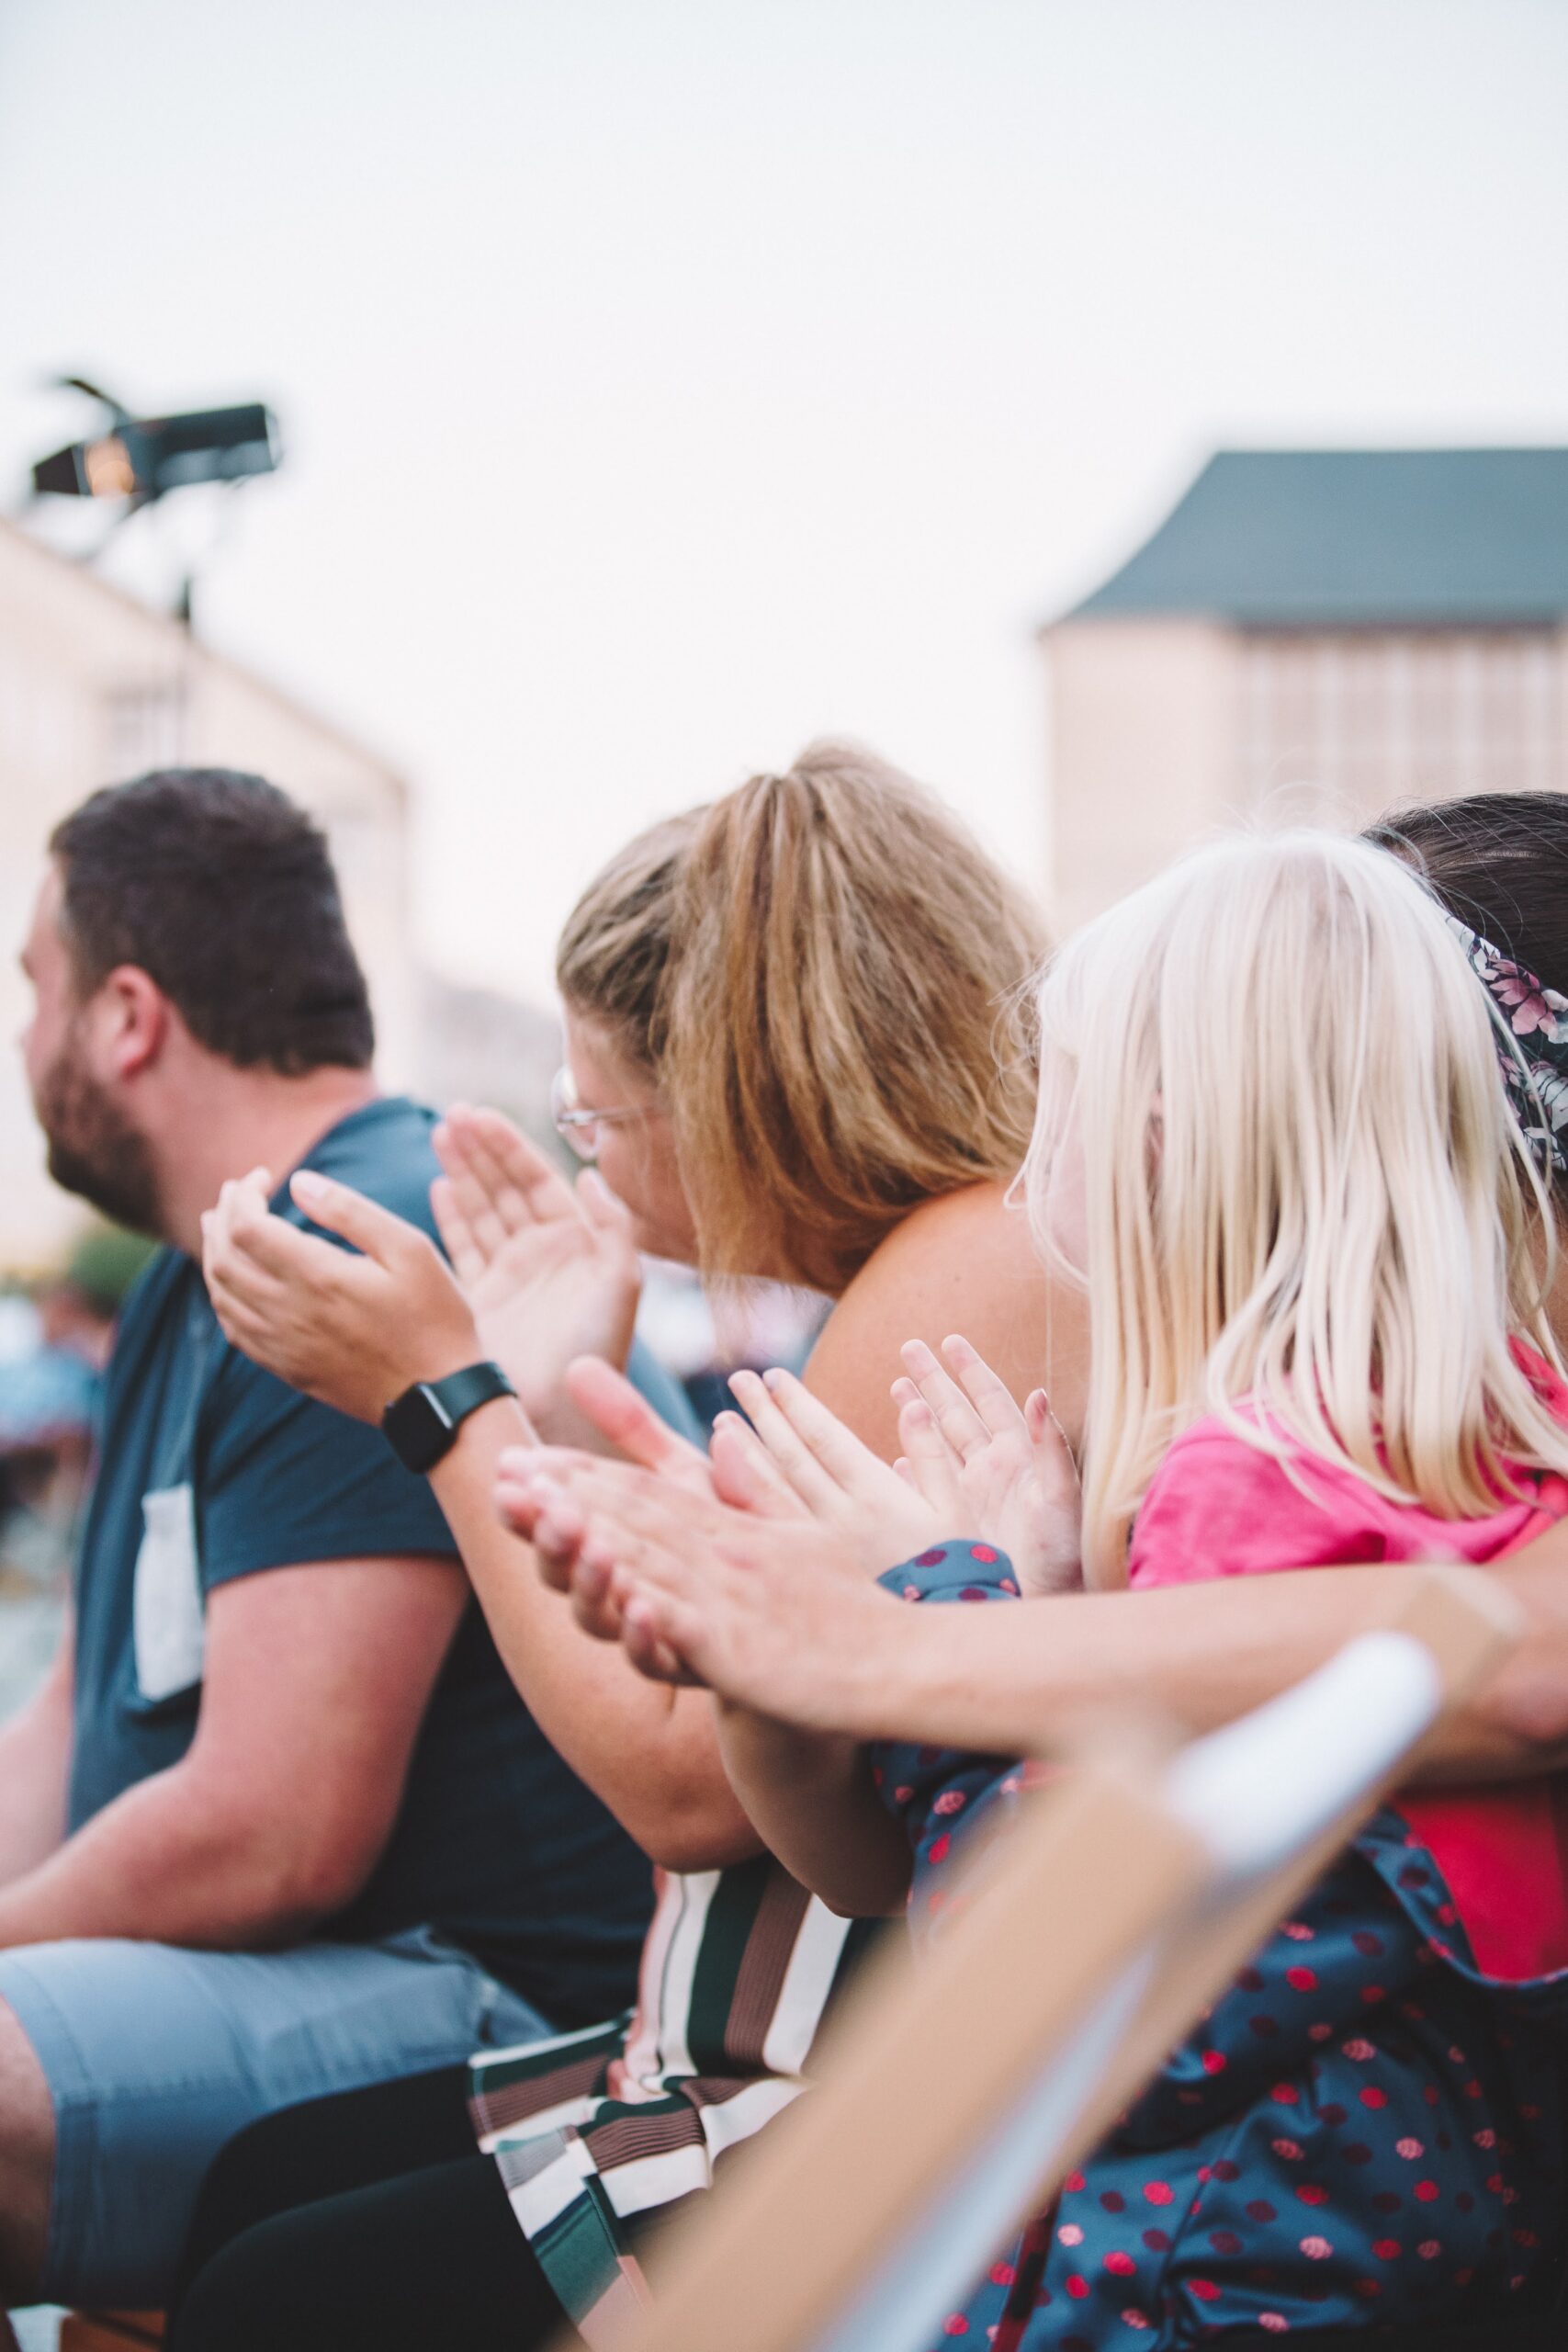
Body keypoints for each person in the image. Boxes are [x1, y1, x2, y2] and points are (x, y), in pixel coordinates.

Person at [523, 828, 1568, 2341]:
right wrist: (1053, 1596)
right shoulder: (1478, 1432)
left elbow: (1046, 1940)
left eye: (1055, 1102)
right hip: (1418, 2227)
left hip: (1206, 2259)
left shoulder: (1244, 1478)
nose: (1024, 1157)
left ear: (1150, 1132)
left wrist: (938, 1604)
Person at [168, 741, 1066, 2350]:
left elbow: (687, 1782)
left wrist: (439, 1405)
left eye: (600, 1113)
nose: (590, 1154)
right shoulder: (951, 1252)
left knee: (272, 2290)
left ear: (735, 1082)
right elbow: (714, 1650)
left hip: (858, 2102)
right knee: (260, 2192)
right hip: (762, 2035)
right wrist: (553, 1403)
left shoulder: (959, 1267)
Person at [0, 769, 676, 2322]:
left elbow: (276, 1827)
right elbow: (66, 1723)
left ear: (125, 1015)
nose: (23, 1037)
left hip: (486, 1997)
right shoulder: (204, 1270)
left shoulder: (349, 1240)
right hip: (325, 1966)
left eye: (31, 990)